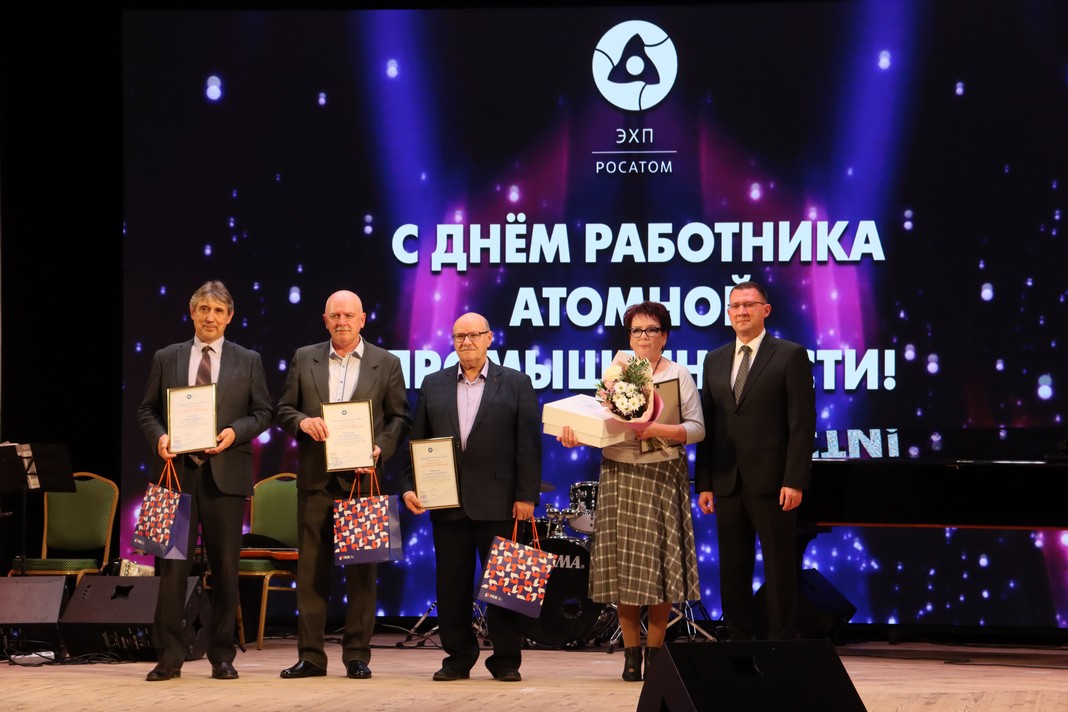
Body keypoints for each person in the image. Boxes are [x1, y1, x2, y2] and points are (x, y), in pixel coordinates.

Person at [557, 301, 705, 682]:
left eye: (651, 330)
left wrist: (656, 430)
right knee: (624, 567)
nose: (643, 337)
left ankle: (655, 653)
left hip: (662, 475)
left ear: (664, 336)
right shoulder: (615, 373)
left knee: (660, 567)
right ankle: (631, 654)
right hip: (620, 472)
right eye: (637, 330)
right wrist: (576, 436)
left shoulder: (678, 374)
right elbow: (601, 426)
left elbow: (697, 429)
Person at [137, 280, 273, 681]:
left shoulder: (248, 360)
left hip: (225, 477)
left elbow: (263, 412)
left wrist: (234, 432)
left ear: (229, 317)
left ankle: (222, 655)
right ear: (191, 312)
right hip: (175, 477)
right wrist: (160, 438)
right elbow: (147, 410)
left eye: (218, 311)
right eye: (203, 309)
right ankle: (169, 656)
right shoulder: (167, 357)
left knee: (226, 570)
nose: (210, 317)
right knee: (171, 570)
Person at [274, 290, 411, 680]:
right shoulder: (304, 358)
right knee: (311, 574)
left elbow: (399, 418)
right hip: (316, 481)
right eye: (335, 315)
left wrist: (379, 448)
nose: (342, 321)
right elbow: (283, 409)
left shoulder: (387, 362)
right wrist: (302, 422)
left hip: (363, 482)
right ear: (325, 320)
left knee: (363, 576)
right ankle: (311, 657)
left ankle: (357, 655)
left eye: (349, 315)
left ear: (362, 319)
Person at [401, 312, 541, 683]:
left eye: (474, 335)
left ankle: (506, 660)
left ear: (489, 338)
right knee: (451, 587)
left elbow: (528, 445)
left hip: (501, 502)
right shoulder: (434, 384)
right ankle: (458, 658)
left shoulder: (516, 383)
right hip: (446, 502)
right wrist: (410, 486)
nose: (467, 342)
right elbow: (418, 441)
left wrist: (526, 495)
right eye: (459, 336)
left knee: (504, 585)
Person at [694, 280, 816, 641]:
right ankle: (738, 642)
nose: (741, 312)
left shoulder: (790, 355)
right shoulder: (714, 359)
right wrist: (704, 483)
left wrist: (794, 479)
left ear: (766, 310)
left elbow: (801, 423)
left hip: (774, 483)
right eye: (735, 306)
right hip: (727, 482)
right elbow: (709, 424)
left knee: (779, 569)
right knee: (733, 569)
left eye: (749, 304)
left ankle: (781, 646)